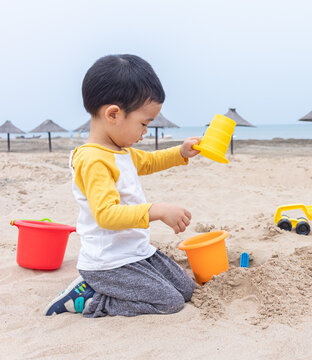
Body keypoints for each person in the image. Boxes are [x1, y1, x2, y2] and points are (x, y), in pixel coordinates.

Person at [44, 54, 199, 317]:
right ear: (114, 114)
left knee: (186, 288)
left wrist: (181, 152)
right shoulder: (93, 159)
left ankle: (105, 291)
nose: (145, 132)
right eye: (144, 123)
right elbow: (106, 215)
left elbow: (149, 161)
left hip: (135, 251)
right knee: (170, 302)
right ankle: (91, 299)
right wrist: (157, 211)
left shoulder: (121, 151)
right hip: (108, 263)